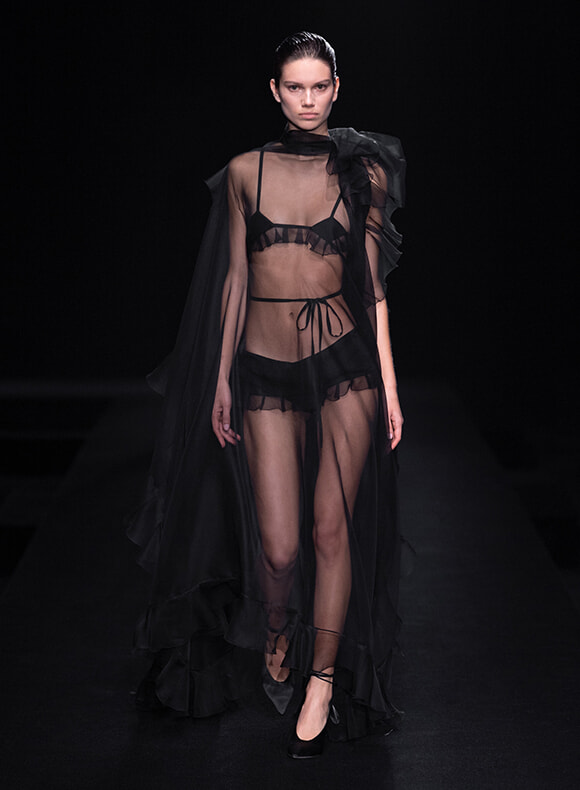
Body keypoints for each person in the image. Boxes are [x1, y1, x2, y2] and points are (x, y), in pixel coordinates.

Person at [128, 31, 406, 758]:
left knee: (330, 531)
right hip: (262, 367)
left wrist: (390, 388)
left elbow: (373, 291)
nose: (309, 100)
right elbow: (235, 281)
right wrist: (221, 376)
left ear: (336, 89)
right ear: (275, 93)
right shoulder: (244, 172)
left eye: (320, 86)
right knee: (279, 550)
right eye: (295, 87)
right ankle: (279, 626)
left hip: (345, 367)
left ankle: (321, 680)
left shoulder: (364, 170)